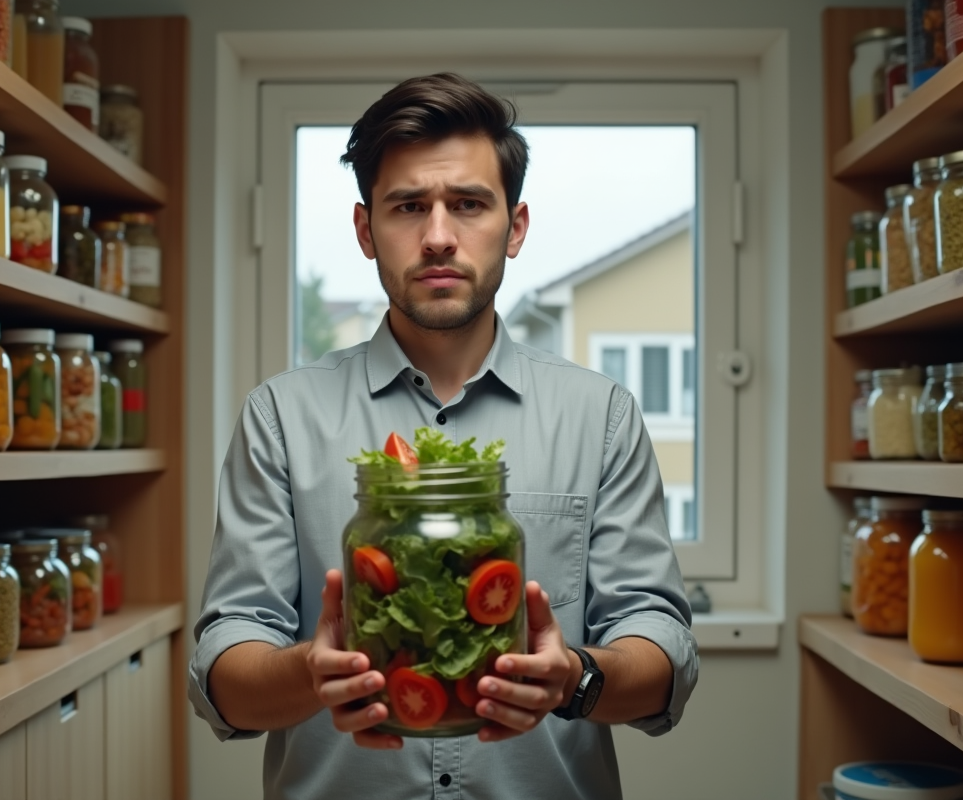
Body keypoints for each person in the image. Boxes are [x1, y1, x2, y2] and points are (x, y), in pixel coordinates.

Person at [189, 72, 698, 800]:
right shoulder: (280, 416)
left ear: (515, 226)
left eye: (467, 204)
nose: (436, 236)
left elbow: (663, 648)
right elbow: (224, 672)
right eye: (406, 207)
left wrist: (575, 679)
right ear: (366, 230)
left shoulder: (602, 414)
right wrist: (309, 673)